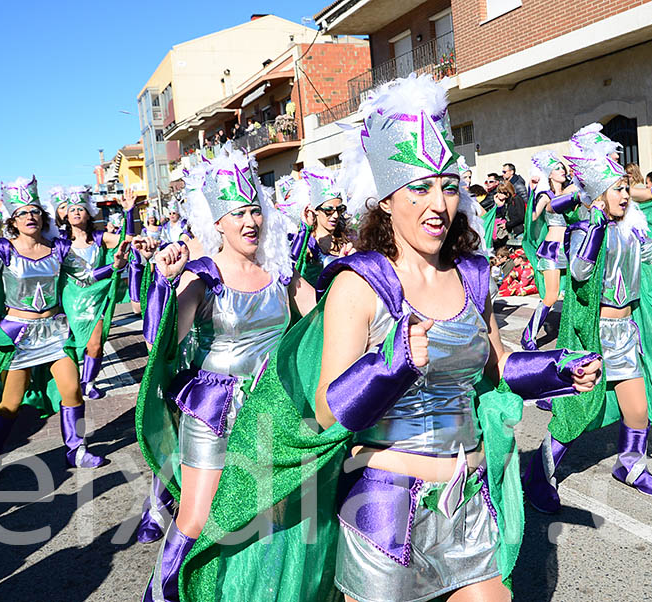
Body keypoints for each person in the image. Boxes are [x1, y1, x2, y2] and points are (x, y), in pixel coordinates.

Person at [176, 73, 601, 602]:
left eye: (448, 185)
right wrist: (391, 363)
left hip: (465, 502)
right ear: (386, 199)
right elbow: (327, 409)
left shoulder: (473, 273)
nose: (437, 203)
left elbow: (494, 364)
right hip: (384, 508)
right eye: (419, 188)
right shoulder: (360, 283)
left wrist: (555, 369)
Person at [136, 148, 316, 601]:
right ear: (218, 222)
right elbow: (163, 341)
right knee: (198, 516)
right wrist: (163, 282)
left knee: (265, 513)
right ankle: (160, 595)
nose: (250, 221)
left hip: (271, 405)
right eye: (238, 213)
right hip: (215, 409)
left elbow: (325, 321)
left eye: (255, 209)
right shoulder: (202, 276)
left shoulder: (280, 273)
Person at [525, 128, 652, 513]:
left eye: (626, 188)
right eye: (617, 189)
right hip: (593, 333)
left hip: (625, 332)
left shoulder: (630, 229)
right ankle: (538, 474)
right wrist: (594, 225)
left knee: (638, 409)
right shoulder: (587, 227)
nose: (626, 195)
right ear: (599, 195)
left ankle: (630, 464)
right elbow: (579, 272)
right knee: (575, 413)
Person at [0, 176, 130, 473]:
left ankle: (75, 450)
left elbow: (85, 277)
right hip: (20, 335)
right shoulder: (3, 249)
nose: (30, 216)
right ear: (13, 220)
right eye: (23, 212)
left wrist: (114, 267)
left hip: (55, 332)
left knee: (73, 391)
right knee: (10, 405)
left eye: (35, 211)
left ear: (44, 217)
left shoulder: (59, 248)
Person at [57, 186, 134, 399]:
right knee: (70, 344)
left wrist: (129, 211)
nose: (76, 212)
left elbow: (125, 239)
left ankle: (88, 383)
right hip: (70, 300)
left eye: (80, 209)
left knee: (95, 344)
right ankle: (72, 381)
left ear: (88, 213)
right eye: (71, 209)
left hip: (96, 298)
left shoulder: (99, 238)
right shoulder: (61, 243)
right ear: (65, 215)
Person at [520, 151, 576, 353]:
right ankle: (529, 335)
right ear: (549, 174)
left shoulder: (570, 190)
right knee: (551, 296)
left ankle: (572, 334)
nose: (562, 171)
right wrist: (532, 190)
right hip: (552, 250)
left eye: (562, 167)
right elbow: (532, 218)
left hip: (570, 249)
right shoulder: (546, 196)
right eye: (557, 168)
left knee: (572, 294)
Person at [285, 167, 354, 286]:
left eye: (339, 209)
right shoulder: (307, 244)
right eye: (328, 210)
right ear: (315, 211)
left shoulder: (347, 239)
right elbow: (289, 273)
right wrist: (304, 230)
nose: (335, 215)